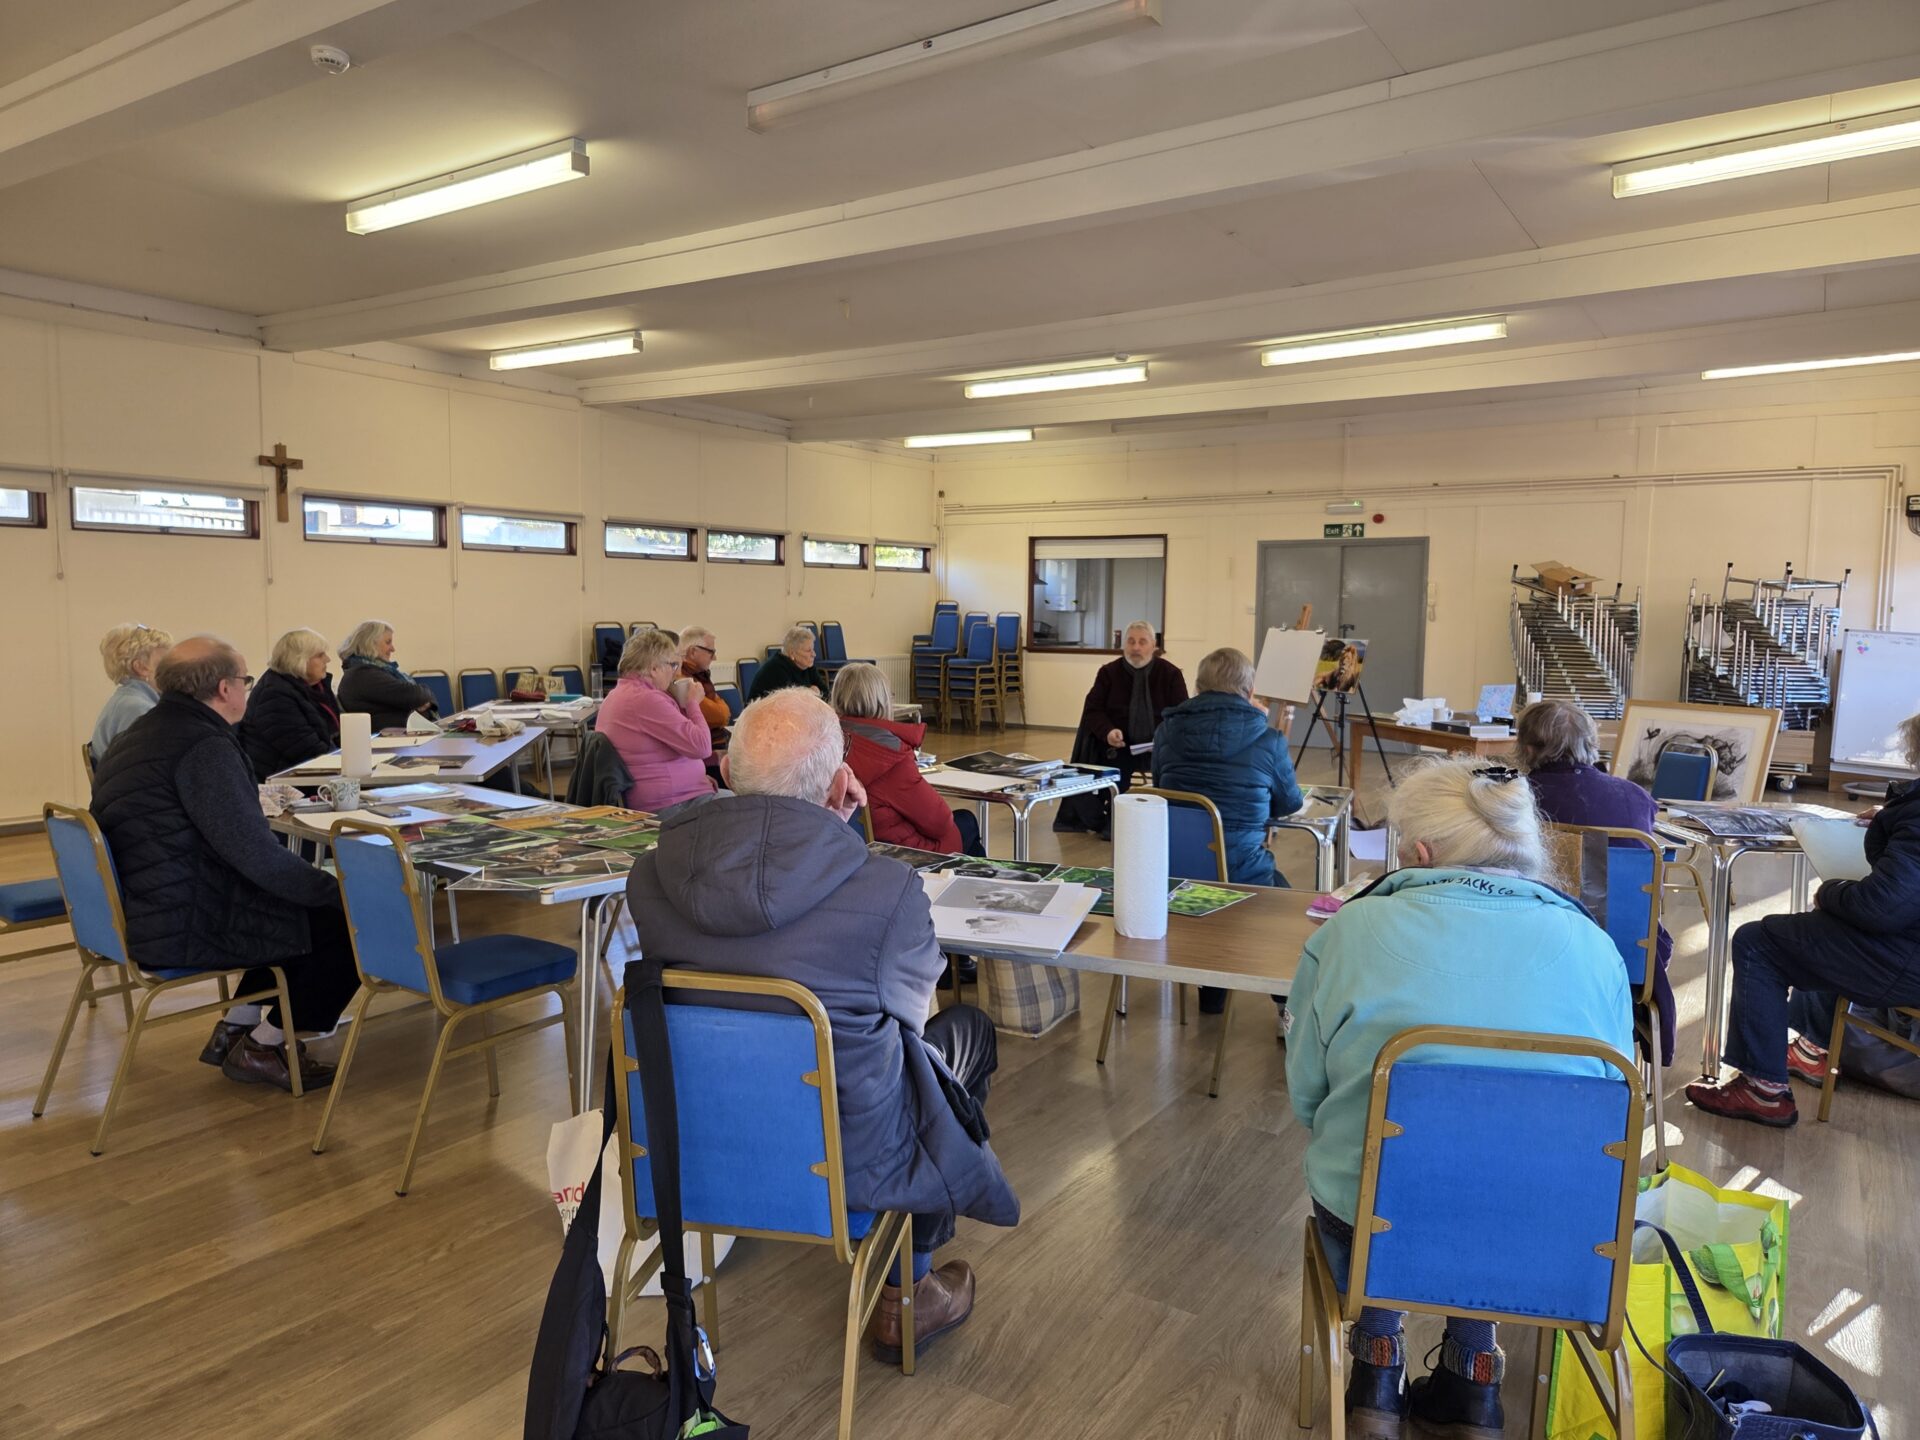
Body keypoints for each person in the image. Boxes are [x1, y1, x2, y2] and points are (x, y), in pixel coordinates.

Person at [624, 688, 1018, 1360]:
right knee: (964, 1035)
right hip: (848, 1163)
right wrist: (841, 829)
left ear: (725, 770)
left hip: (696, 1148)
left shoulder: (649, 879)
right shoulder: (887, 892)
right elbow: (910, 1016)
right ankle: (908, 1291)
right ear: (841, 785)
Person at [1286, 758, 1632, 1438]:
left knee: (1384, 1178)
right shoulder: (1597, 951)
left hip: (1374, 1224)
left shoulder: (1346, 934)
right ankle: (1475, 1379)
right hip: (1550, 1233)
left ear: (1420, 853)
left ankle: (1375, 1368)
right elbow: (1613, 1100)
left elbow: (1308, 1097)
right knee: (1501, 1186)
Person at [89, 636, 360, 1092]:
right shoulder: (203, 746)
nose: (247, 690)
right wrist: (339, 891)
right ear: (223, 688)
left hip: (148, 907)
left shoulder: (144, 731)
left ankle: (237, 1025)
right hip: (181, 921)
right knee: (351, 920)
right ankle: (266, 1045)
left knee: (292, 906)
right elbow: (257, 857)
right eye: (244, 681)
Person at [1687, 712, 1920, 1127]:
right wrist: (1891, 817)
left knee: (1758, 942)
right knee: (1820, 930)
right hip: (1907, 948)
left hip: (1907, 960)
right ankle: (1814, 1049)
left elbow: (1882, 906)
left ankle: (1763, 1090)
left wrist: (1830, 892)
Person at [1518, 698, 1677, 1067]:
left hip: (1537, 948)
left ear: (1526, 749)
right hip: (1627, 953)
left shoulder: (1514, 799)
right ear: (1591, 743)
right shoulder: (1635, 797)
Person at [1151, 645, 1303, 1014]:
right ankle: (1289, 1009)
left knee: (1216, 880)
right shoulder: (1269, 740)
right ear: (1249, 691)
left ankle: (1212, 995)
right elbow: (1290, 803)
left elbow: (1160, 790)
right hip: (1243, 871)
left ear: (1198, 687)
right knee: (1294, 913)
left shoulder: (1166, 731)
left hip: (1176, 870)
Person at [833, 662, 982, 855]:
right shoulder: (889, 756)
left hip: (849, 850)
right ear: (883, 702)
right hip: (900, 853)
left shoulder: (824, 746)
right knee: (966, 821)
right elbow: (940, 821)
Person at [1054, 621, 1187, 834]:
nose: (1136, 648)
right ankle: (1110, 818)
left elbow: (1181, 715)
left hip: (1159, 747)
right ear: (1124, 645)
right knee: (1107, 768)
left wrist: (1163, 736)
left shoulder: (1170, 674)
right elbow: (1093, 710)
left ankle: (1158, 820)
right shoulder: (1108, 673)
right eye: (1131, 641)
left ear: (1153, 646)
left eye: (1142, 642)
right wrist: (1108, 731)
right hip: (1118, 746)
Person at [595, 627, 714, 812]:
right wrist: (692, 703)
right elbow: (702, 747)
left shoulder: (621, 693)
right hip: (669, 804)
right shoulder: (646, 699)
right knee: (746, 809)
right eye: (672, 665)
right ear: (653, 668)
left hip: (677, 795)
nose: (675, 672)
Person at [239, 627, 340, 781]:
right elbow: (307, 751)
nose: (327, 659)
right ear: (299, 660)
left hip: (307, 773)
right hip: (285, 780)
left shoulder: (313, 687)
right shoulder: (274, 694)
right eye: (320, 655)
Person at [90, 623, 173, 764]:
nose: (173, 669)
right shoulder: (138, 708)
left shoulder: (127, 700)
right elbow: (146, 763)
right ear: (141, 668)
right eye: (165, 663)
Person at [335, 619, 438, 730]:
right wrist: (424, 698)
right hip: (387, 738)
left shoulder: (372, 670)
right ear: (370, 644)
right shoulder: (362, 675)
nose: (393, 649)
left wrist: (425, 699)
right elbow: (414, 695)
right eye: (388, 642)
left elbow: (417, 695)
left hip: (400, 734)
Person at [678, 626, 732, 757]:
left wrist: (721, 710)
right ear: (692, 652)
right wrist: (721, 711)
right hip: (707, 749)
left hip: (715, 741)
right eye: (711, 652)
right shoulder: (682, 680)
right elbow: (721, 715)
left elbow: (721, 710)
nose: (715, 658)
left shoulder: (700, 674)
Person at [746, 625, 828, 702]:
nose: (814, 654)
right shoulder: (776, 669)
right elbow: (792, 702)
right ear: (792, 653)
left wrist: (813, 694)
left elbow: (826, 693)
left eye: (813, 649)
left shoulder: (807, 665)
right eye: (808, 650)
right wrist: (811, 693)